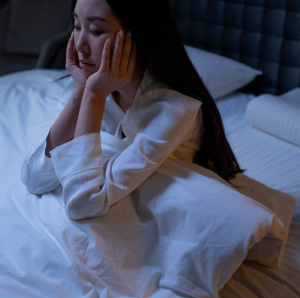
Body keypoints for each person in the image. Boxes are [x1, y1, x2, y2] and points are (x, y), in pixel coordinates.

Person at [21, 0, 245, 220]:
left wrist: (94, 96)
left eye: (96, 30)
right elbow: (34, 178)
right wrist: (83, 89)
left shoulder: (172, 110)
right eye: (77, 26)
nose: (80, 45)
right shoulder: (87, 84)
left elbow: (81, 204)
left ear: (137, 37)